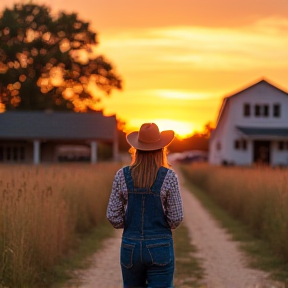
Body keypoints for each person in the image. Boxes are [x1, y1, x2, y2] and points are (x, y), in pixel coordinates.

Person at [107, 123, 183, 288]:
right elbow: (176, 219)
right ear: (161, 150)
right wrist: (163, 224)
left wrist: (127, 224)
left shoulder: (122, 175)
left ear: (136, 150)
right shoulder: (169, 176)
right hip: (160, 246)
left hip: (130, 247)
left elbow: (113, 216)